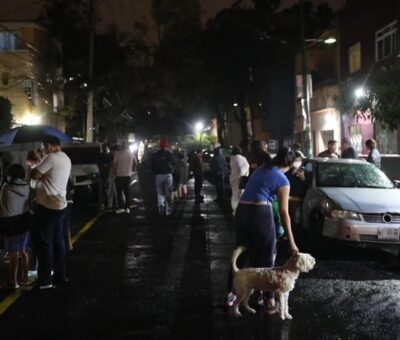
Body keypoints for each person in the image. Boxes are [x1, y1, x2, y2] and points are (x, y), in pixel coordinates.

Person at [226, 147, 299, 313]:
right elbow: (284, 213)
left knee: (242, 252)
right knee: (267, 255)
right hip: (260, 213)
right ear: (289, 164)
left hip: (242, 211)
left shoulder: (260, 169)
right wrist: (292, 242)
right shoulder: (283, 180)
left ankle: (230, 294)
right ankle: (269, 300)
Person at [30, 135, 71, 289]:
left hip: (47, 206)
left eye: (43, 146)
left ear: (48, 145)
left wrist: (39, 166)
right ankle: (60, 275)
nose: (43, 149)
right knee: (58, 241)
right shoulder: (65, 158)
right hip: (61, 205)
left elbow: (34, 174)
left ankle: (45, 280)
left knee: (44, 243)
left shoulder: (51, 158)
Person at [0, 164, 30, 288]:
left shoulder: (6, 187)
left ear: (10, 175)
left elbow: (1, 206)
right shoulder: (27, 186)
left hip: (10, 222)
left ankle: (13, 282)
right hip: (24, 220)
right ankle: (25, 277)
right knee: (23, 250)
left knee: (12, 253)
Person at [151, 139, 176, 216]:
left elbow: (152, 165)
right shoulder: (169, 154)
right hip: (168, 174)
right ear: (166, 146)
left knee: (159, 191)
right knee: (168, 192)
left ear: (160, 146)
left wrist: (154, 173)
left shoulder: (155, 154)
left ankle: (161, 205)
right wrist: (172, 170)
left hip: (158, 175)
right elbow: (174, 162)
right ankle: (168, 209)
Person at [113, 142, 136, 214]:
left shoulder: (117, 153)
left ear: (122, 147)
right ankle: (127, 207)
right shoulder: (131, 153)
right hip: (128, 175)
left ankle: (121, 207)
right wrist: (132, 170)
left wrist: (114, 173)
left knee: (119, 192)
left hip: (119, 175)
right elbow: (135, 162)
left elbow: (114, 164)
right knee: (127, 191)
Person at [285, 152, 308, 224]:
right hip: (288, 198)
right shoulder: (286, 172)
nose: (297, 162)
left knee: (295, 218)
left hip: (298, 199)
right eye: (296, 160)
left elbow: (306, 185)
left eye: (299, 160)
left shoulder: (303, 172)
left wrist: (303, 177)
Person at [229, 146, 249, 214]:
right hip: (240, 178)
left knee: (234, 193)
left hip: (233, 178)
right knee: (240, 194)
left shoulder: (232, 158)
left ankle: (234, 208)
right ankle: (238, 208)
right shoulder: (241, 158)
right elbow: (243, 168)